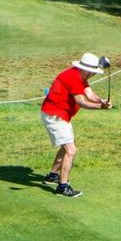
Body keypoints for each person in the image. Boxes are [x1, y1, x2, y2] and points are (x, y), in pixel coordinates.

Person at [39, 52, 111, 198]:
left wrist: (101, 101)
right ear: (86, 70)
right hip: (55, 115)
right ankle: (62, 187)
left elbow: (89, 94)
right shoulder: (73, 78)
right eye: (93, 72)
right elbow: (81, 102)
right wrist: (100, 107)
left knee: (66, 146)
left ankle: (52, 176)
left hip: (61, 115)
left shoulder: (80, 76)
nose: (94, 75)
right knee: (71, 150)